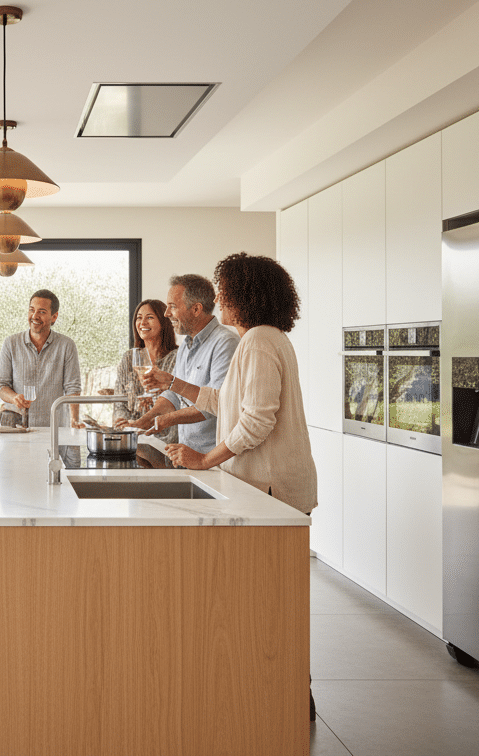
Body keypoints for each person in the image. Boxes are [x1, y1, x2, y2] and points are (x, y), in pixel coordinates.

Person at [151, 253, 319, 723]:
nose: (218, 298)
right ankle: (280, 687)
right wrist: (174, 384)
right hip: (266, 484)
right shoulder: (260, 340)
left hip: (271, 486)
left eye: (224, 292)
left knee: (273, 597)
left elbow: (256, 420)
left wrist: (206, 458)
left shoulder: (260, 342)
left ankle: (287, 692)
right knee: (270, 595)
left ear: (244, 296)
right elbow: (224, 401)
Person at [117, 274, 238, 454]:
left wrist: (167, 418)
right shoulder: (186, 347)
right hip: (186, 454)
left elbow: (218, 403)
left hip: (213, 457)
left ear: (196, 309)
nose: (167, 314)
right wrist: (145, 420)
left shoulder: (225, 343)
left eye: (172, 307)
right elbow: (173, 396)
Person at [0, 289, 83, 428]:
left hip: (54, 430)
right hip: (16, 429)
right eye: (31, 310)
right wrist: (13, 397)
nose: (34, 316)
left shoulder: (66, 345)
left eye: (42, 312)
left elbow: (73, 387)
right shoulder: (10, 343)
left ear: (54, 317)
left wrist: (74, 420)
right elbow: (0, 385)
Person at [109, 299, 178, 442]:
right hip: (133, 437)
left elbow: (176, 401)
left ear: (163, 322)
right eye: (139, 318)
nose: (143, 323)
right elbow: (119, 401)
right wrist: (125, 424)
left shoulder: (177, 356)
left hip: (167, 438)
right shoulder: (129, 357)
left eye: (150, 317)